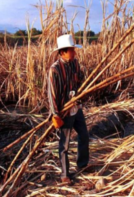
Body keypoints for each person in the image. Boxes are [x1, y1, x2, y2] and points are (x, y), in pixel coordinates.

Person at [47, 34, 89, 185]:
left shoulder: (75, 64)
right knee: (64, 144)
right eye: (71, 50)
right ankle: (65, 174)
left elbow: (80, 81)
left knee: (84, 134)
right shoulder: (55, 70)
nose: (74, 52)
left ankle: (82, 164)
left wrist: (82, 91)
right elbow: (52, 94)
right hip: (63, 111)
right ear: (63, 52)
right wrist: (55, 114)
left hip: (76, 107)